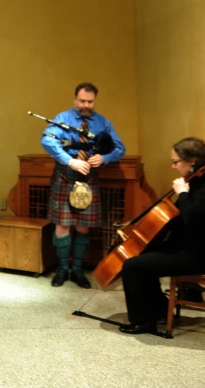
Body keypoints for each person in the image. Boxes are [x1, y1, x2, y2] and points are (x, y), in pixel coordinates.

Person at [118, 137, 205, 335]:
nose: (173, 166)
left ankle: (143, 321)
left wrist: (183, 194)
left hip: (197, 255)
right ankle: (159, 309)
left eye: (176, 162)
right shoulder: (195, 184)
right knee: (141, 258)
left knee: (133, 267)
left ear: (192, 161)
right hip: (184, 248)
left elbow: (191, 220)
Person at [41, 82, 126, 288]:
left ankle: (77, 270)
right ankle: (62, 269)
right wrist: (70, 160)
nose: (86, 105)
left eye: (90, 101)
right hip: (65, 176)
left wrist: (104, 158)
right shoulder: (63, 119)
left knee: (83, 227)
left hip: (89, 178)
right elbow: (47, 140)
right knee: (62, 226)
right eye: (82, 100)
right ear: (75, 99)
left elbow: (119, 148)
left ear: (94, 101)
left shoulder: (103, 123)